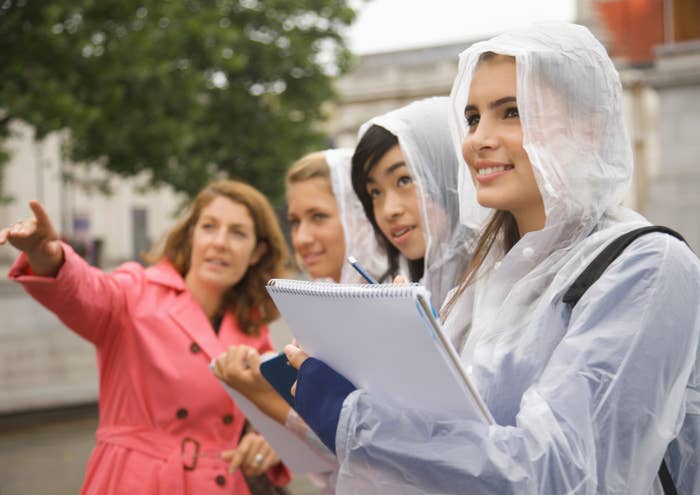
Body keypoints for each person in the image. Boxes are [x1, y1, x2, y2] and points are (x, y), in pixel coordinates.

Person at [284, 23, 700, 494]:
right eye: (473, 117)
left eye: (513, 112)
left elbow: (563, 472)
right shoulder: (487, 278)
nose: (478, 139)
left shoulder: (646, 266)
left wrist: (357, 418)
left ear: (591, 125)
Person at [0, 180, 293, 494]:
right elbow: (85, 290)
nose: (220, 242)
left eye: (238, 232)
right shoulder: (135, 292)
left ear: (256, 252)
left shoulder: (253, 330)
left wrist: (263, 442)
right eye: (209, 227)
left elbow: (273, 418)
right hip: (136, 481)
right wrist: (47, 255)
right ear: (192, 234)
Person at [351, 96, 478, 307]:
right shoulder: (401, 284)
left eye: (404, 180)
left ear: (447, 175)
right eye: (374, 192)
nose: (388, 211)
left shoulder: (498, 282)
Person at [286, 149, 387, 283]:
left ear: (361, 217)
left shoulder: (401, 296)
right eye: (295, 222)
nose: (301, 239)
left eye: (318, 217)